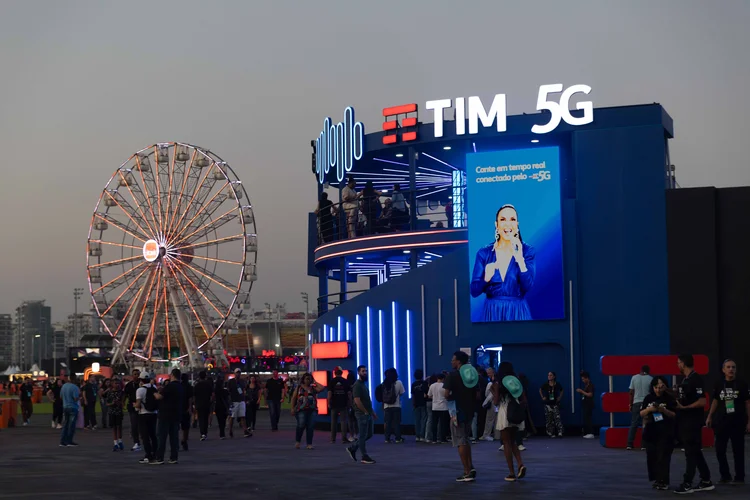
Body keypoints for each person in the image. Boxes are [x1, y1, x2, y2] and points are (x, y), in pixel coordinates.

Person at [470, 205, 536, 322]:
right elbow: (474, 291)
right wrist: (485, 278)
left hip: (518, 311)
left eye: (512, 219)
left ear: (517, 225)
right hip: (492, 312)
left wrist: (520, 259)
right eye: (503, 219)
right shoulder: (484, 253)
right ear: (496, 225)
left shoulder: (527, 251)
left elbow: (528, 286)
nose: (507, 224)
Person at [674, 354, 714, 494]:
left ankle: (687, 483)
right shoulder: (686, 380)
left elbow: (702, 401)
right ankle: (706, 480)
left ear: (684, 364)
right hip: (685, 421)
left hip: (692, 422)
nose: (678, 365)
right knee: (695, 451)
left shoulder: (696, 379)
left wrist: (685, 408)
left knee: (690, 452)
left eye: (679, 363)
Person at [706, 358, 749, 485]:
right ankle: (725, 475)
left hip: (738, 421)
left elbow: (747, 403)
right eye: (729, 367)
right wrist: (709, 416)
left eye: (733, 367)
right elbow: (715, 401)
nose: (731, 369)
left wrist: (749, 421)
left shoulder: (742, 384)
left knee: (738, 451)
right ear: (723, 370)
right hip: (722, 422)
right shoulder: (719, 384)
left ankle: (739, 477)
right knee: (720, 450)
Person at [444, 351, 479, 482]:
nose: (451, 362)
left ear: (458, 362)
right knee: (466, 438)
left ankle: (466, 471)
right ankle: (470, 466)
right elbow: (478, 395)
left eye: (453, 359)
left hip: (457, 412)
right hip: (469, 411)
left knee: (460, 441)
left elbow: (446, 394)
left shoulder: (452, 376)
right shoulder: (472, 376)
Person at [640, 376, 677, 490]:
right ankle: (656, 479)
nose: (658, 390)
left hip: (666, 432)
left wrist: (663, 410)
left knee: (663, 457)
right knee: (652, 457)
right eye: (656, 387)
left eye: (660, 387)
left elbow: (674, 414)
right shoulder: (648, 398)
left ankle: (663, 480)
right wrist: (650, 410)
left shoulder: (669, 398)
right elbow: (641, 413)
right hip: (651, 431)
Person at [492, 362, 527, 482]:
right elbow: (524, 399)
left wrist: (494, 392)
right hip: (515, 411)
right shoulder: (516, 382)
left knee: (506, 442)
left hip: (504, 411)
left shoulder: (498, 383)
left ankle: (511, 472)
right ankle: (520, 464)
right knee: (513, 442)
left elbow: (496, 402)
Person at [347, 365, 377, 464]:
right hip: (361, 414)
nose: (365, 373)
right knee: (363, 435)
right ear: (358, 372)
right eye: (363, 371)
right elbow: (357, 400)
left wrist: (372, 412)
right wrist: (364, 411)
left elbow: (366, 400)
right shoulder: (357, 385)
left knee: (369, 434)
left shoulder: (363, 385)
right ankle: (364, 456)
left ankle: (353, 447)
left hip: (367, 413)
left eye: (366, 371)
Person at [154, 369, 184, 465]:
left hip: (165, 414)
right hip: (176, 414)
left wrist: (153, 392)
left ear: (172, 375)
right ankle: (173, 457)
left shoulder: (170, 386)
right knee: (174, 437)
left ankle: (160, 457)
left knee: (162, 436)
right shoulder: (180, 387)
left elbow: (159, 397)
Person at [291, 372, 325, 449]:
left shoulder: (313, 388)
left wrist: (315, 382)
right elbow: (293, 398)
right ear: (303, 379)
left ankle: (309, 443)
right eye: (306, 379)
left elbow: (322, 388)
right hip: (301, 409)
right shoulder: (299, 388)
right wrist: (292, 408)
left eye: (309, 379)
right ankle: (298, 441)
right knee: (301, 425)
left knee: (310, 427)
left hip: (312, 409)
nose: (308, 380)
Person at [627, 365, 653, 450]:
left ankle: (629, 444)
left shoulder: (634, 377)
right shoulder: (650, 378)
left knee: (634, 423)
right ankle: (644, 445)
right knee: (645, 424)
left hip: (636, 402)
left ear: (640, 370)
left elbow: (631, 392)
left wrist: (630, 404)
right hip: (646, 403)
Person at [135, 375, 159, 464]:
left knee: (145, 436)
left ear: (141, 380)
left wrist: (134, 405)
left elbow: (138, 405)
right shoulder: (154, 387)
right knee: (153, 435)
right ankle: (155, 453)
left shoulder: (140, 390)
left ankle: (148, 455)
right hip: (154, 413)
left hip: (144, 414)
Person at [382, 368, 405, 443]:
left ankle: (387, 438)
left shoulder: (384, 383)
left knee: (388, 422)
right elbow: (402, 393)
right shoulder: (398, 382)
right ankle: (398, 438)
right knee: (397, 422)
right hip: (396, 405)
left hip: (387, 406)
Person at [328, 368, 351, 443]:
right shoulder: (345, 381)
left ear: (335, 373)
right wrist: (350, 403)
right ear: (341, 373)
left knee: (333, 422)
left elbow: (329, 393)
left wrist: (328, 402)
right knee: (343, 421)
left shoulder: (332, 381)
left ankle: (332, 439)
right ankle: (344, 438)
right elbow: (349, 393)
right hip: (343, 404)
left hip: (334, 404)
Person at [540, 371, 564, 437]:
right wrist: (543, 397)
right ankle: (551, 432)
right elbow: (540, 389)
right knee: (549, 419)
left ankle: (560, 432)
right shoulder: (545, 384)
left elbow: (562, 390)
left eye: (551, 375)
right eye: (548, 375)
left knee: (557, 418)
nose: (549, 376)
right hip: (547, 404)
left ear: (554, 376)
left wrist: (560, 397)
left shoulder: (557, 384)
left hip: (555, 403)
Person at [59, 374, 81, 447]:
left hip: (65, 406)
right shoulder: (75, 387)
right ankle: (69, 441)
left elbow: (61, 397)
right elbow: (75, 398)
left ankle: (62, 441)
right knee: (71, 425)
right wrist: (79, 398)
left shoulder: (64, 386)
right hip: (73, 407)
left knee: (65, 424)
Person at [427, 373, 449, 443]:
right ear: (443, 379)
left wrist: (434, 398)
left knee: (434, 423)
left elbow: (429, 396)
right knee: (443, 424)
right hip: (443, 406)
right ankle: (442, 438)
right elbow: (447, 395)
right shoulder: (444, 385)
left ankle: (434, 439)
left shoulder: (432, 385)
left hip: (434, 406)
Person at [124, 369, 142, 451]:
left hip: (142, 407)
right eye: (135, 374)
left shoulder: (142, 384)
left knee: (142, 425)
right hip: (132, 407)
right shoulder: (129, 385)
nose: (136, 376)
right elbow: (125, 394)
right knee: (134, 425)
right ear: (132, 375)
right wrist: (123, 403)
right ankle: (136, 442)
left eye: (138, 374)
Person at [227, 369, 248, 438]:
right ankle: (230, 430)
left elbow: (244, 390)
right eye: (237, 373)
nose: (238, 374)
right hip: (234, 401)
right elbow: (228, 391)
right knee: (232, 417)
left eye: (239, 373)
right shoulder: (231, 381)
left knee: (242, 416)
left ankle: (245, 431)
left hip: (241, 400)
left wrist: (244, 398)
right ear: (234, 373)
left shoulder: (242, 381)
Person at [193, 371, 213, 441]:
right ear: (205, 376)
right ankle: (205, 432)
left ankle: (202, 433)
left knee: (201, 419)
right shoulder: (208, 385)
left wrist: (195, 404)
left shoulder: (197, 385)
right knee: (206, 418)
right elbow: (212, 395)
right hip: (207, 403)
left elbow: (194, 396)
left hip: (199, 404)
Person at [411, 369, 429, 442]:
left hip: (416, 404)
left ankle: (417, 436)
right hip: (423, 403)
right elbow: (426, 393)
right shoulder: (424, 383)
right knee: (424, 420)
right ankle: (422, 436)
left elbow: (413, 395)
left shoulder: (413, 384)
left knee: (417, 420)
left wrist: (413, 404)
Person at [106, 378, 125, 451]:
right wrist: (112, 403)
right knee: (114, 427)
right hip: (112, 412)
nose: (117, 385)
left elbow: (123, 403)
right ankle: (115, 443)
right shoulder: (110, 392)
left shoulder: (121, 392)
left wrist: (120, 403)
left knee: (119, 426)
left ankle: (120, 441)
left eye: (118, 383)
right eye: (115, 383)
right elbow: (107, 403)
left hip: (119, 411)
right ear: (112, 384)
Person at [577, 371, 595, 439]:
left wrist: (582, 391)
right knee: (586, 418)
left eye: (583, 379)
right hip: (585, 404)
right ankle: (588, 432)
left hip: (589, 404)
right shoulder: (586, 385)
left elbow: (590, 394)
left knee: (588, 418)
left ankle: (591, 432)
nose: (583, 380)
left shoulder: (590, 385)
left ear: (587, 378)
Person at [214, 375, 230, 440]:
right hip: (224, 407)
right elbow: (228, 399)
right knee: (223, 421)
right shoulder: (225, 391)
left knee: (219, 420)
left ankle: (221, 433)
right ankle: (222, 433)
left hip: (217, 406)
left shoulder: (215, 391)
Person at [180, 373, 194, 450]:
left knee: (177, 426)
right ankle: (184, 439)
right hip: (186, 408)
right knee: (186, 427)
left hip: (178, 407)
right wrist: (190, 408)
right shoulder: (189, 387)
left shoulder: (178, 386)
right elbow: (190, 398)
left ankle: (180, 440)